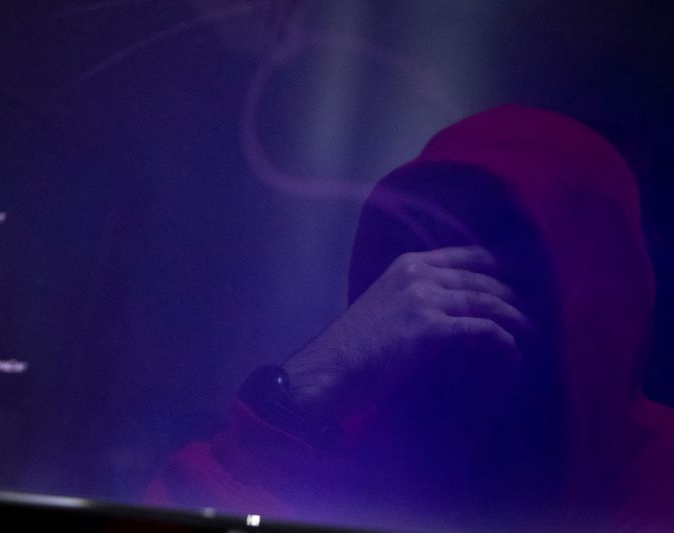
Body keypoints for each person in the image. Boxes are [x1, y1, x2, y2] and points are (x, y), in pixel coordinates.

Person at [143, 105, 674, 532]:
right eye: (415, 262)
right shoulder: (347, 450)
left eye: (504, 258)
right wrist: (307, 383)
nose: (442, 307)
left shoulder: (659, 478)